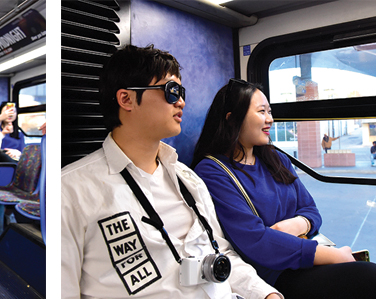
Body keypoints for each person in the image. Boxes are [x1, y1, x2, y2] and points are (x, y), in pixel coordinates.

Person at [61, 45, 281, 299]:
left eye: (181, 91)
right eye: (171, 91)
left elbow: (221, 252)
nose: (181, 101)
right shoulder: (71, 191)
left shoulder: (190, 181)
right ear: (126, 99)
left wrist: (266, 294)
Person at [192, 78, 376, 298]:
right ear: (232, 120)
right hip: (274, 274)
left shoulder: (276, 158)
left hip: (307, 256)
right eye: (261, 112)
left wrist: (289, 226)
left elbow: (311, 211)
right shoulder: (213, 171)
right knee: (368, 276)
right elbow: (256, 241)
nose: (270, 119)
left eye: (269, 111)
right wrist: (333, 256)